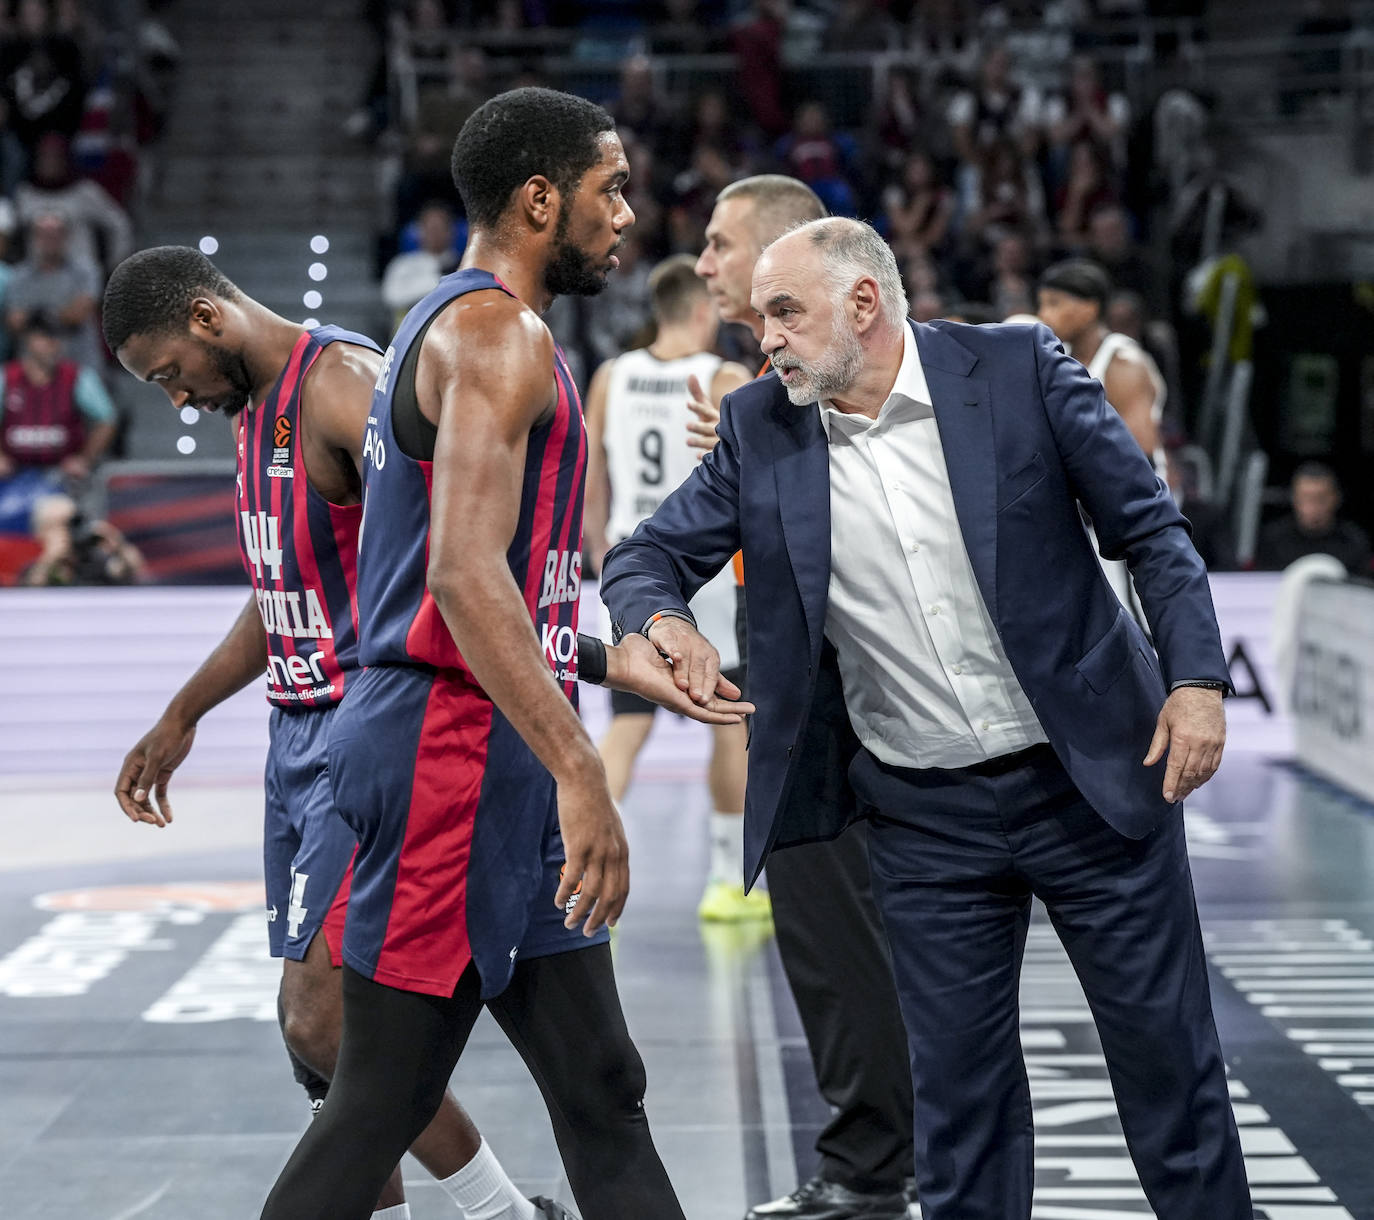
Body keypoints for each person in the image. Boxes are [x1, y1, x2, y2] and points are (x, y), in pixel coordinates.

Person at [601, 216, 1252, 1220]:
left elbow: (1151, 529)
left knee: (1171, 1069)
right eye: (761, 315)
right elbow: (642, 555)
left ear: (863, 303)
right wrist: (664, 618)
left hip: (1094, 781)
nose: (762, 337)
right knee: (960, 1101)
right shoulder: (760, 427)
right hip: (922, 817)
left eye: (785, 311)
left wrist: (1197, 680)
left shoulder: (1018, 365)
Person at [259, 87, 750, 1220]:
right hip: (452, 754)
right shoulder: (495, 333)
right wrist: (585, 766)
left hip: (489, 743)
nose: (629, 211)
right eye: (609, 188)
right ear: (540, 198)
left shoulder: (467, 328)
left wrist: (597, 654)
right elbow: (458, 580)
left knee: (602, 1084)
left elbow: (487, 587)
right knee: (379, 1095)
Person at [101, 244, 592, 1220]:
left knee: (327, 1022)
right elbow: (281, 590)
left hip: (363, 730)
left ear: (209, 319)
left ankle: (505, 1212)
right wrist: (184, 710)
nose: (179, 401)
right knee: (320, 1049)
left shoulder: (343, 386)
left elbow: (459, 542)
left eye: (171, 376)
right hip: (295, 736)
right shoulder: (251, 413)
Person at [694, 176, 915, 1220]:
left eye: (720, 244)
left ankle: (882, 1165)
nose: (703, 265)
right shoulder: (752, 402)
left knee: (855, 947)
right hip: (792, 684)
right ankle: (884, 1158)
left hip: (850, 704)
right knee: (840, 949)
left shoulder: (847, 386)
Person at [583, 253, 760, 920]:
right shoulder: (725, 375)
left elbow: (592, 473)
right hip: (705, 566)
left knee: (627, 724)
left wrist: (601, 548)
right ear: (701, 309)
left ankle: (580, 865)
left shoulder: (611, 375)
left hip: (633, 563)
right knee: (727, 722)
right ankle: (727, 883)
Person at [1038, 258, 1168, 626]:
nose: (1044, 314)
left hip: (1135, 502)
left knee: (1135, 615)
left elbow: (1139, 451)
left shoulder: (1123, 363)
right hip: (1087, 503)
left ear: (1090, 308)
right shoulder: (1058, 357)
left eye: (1055, 303)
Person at [0, 314, 116, 535]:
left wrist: (84, 458)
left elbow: (107, 419)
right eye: (48, 339)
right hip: (12, 477)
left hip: (62, 477)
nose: (55, 346)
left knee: (74, 530)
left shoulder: (77, 377)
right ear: (30, 341)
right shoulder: (6, 378)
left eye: (58, 340)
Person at [1254, 461, 1372, 575]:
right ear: (1294, 498)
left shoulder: (1353, 540)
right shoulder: (1272, 539)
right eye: (1306, 497)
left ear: (1335, 499)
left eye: (1321, 498)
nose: (1313, 506)